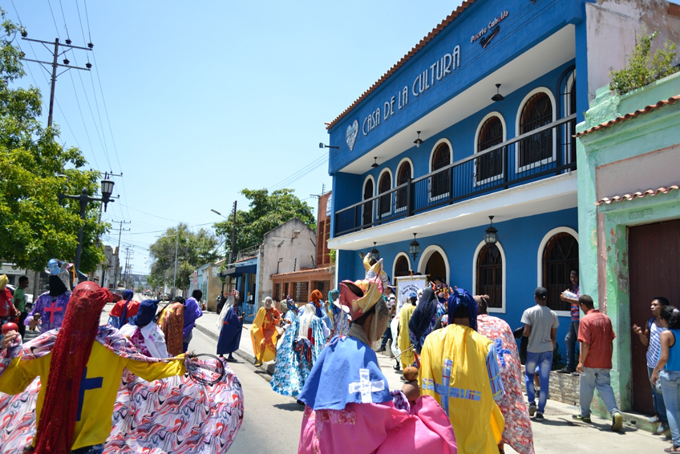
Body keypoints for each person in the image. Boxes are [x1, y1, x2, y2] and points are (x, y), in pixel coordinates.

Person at [0, 281, 186, 453]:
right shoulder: (115, 346)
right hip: (91, 442)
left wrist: (6, 357)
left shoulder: (48, 345)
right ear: (98, 311)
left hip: (49, 436)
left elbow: (12, 384)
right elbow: (152, 370)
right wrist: (183, 363)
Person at [297, 276, 457, 453]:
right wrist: (403, 396)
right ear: (373, 319)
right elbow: (370, 413)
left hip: (322, 442)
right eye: (383, 317)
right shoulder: (362, 356)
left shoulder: (333, 345)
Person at [420, 288, 505, 453]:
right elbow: (497, 394)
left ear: (450, 311)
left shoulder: (431, 341)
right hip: (473, 439)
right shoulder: (486, 346)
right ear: (473, 313)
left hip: (439, 438)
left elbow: (424, 384)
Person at [476, 294, 534, 454]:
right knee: (502, 420)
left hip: (487, 381)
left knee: (487, 424)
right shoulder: (502, 323)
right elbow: (514, 353)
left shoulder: (473, 326)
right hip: (507, 381)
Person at [570, 295, 623, 431]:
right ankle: (615, 412)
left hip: (590, 361)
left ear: (582, 305)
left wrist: (581, 362)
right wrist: (609, 359)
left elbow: (586, 343)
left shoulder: (585, 320)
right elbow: (610, 342)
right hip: (604, 360)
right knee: (605, 386)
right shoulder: (606, 319)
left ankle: (585, 414)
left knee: (586, 387)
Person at [271, 297, 328, 397]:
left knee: (300, 371)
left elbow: (290, 331)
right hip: (313, 351)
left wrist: (283, 338)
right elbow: (327, 334)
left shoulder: (298, 320)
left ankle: (301, 394)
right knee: (311, 371)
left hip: (299, 350)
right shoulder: (319, 321)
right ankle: (308, 394)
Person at [633, 296, 671, 434]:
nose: (652, 307)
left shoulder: (671, 323)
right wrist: (639, 334)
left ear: (664, 307)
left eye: (655, 305)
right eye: (651, 305)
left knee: (664, 392)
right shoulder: (650, 322)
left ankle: (665, 420)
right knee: (655, 391)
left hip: (665, 363)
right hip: (652, 362)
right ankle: (658, 414)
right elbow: (646, 342)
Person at [521, 286, 559, 420]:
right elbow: (553, 336)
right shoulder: (553, 314)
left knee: (529, 375)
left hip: (532, 349)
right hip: (547, 350)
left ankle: (531, 402)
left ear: (535, 298)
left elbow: (526, 332)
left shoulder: (528, 312)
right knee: (544, 380)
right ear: (546, 298)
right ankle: (541, 411)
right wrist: (551, 349)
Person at [652, 306, 680, 453]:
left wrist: (655, 371)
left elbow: (664, 357)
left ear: (664, 319)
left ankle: (677, 444)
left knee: (672, 409)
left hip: (670, 375)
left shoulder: (666, 334)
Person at [25, 260, 72, 333]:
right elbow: (30, 316)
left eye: (58, 279)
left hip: (63, 339)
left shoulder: (71, 299)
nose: (55, 282)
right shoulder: (43, 298)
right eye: (53, 278)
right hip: (44, 339)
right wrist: (31, 321)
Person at [558, 270, 580, 374]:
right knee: (568, 339)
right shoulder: (574, 289)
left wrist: (567, 298)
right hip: (574, 318)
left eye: (575, 277)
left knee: (581, 342)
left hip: (579, 318)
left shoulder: (581, 288)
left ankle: (581, 367)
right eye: (571, 277)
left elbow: (580, 301)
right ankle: (570, 366)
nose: (573, 279)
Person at [251, 296, 281, 366]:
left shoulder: (274, 310)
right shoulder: (262, 310)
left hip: (271, 330)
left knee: (262, 342)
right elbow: (257, 320)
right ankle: (277, 357)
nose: (266, 305)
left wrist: (274, 319)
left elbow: (279, 320)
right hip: (263, 330)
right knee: (270, 345)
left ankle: (260, 361)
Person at [409, 287, 439, 354]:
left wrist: (415, 341)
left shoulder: (418, 309)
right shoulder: (437, 307)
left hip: (421, 343)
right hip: (435, 342)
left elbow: (411, 325)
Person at [216, 290, 243, 362]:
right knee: (231, 340)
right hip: (229, 327)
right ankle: (230, 355)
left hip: (225, 327)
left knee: (224, 341)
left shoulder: (227, 307)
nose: (236, 301)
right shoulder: (232, 308)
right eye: (236, 299)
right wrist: (239, 319)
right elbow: (233, 317)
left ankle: (221, 355)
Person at [397, 291, 418, 370]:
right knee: (413, 353)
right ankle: (412, 370)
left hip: (404, 336)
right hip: (413, 337)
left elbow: (399, 322)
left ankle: (405, 370)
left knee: (404, 352)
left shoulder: (403, 308)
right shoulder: (417, 309)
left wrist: (398, 334)